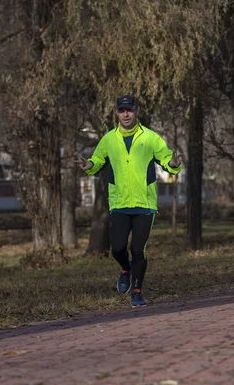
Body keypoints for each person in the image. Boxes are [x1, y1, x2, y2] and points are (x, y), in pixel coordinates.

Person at [77, 95, 182, 307]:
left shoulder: (150, 138)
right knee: (117, 248)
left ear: (137, 111)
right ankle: (125, 269)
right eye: (122, 110)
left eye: (130, 110)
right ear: (116, 112)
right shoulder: (108, 139)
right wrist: (89, 165)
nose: (126, 114)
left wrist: (172, 163)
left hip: (144, 204)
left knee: (138, 250)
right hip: (120, 203)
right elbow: (97, 161)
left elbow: (166, 159)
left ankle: (137, 292)